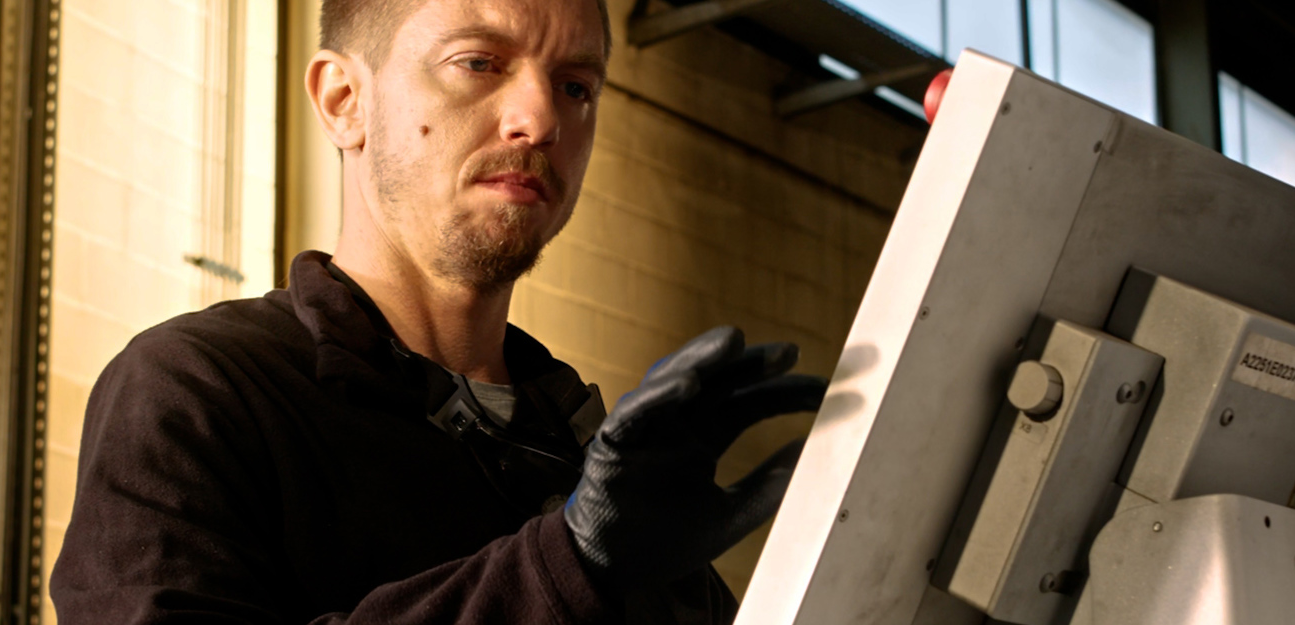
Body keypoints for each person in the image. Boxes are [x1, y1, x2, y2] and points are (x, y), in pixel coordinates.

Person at [48, 0, 825, 622]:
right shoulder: (200, 392)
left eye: (576, 86)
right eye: (478, 63)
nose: (541, 119)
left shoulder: (585, 452)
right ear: (344, 100)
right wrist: (567, 568)